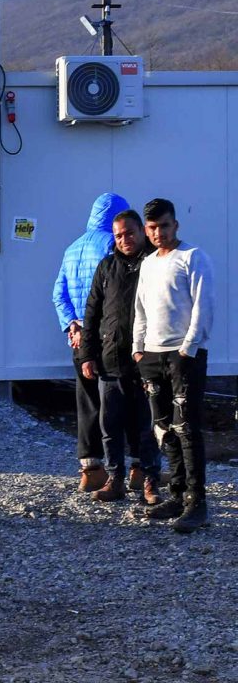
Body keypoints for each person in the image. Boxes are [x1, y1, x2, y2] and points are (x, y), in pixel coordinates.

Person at [133, 198, 214, 533]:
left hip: (183, 357)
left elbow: (203, 304)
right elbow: (140, 309)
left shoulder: (192, 257)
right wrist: (138, 350)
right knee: (164, 429)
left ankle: (198, 504)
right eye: (151, 227)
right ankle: (177, 495)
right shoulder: (149, 263)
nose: (158, 233)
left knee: (188, 429)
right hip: (152, 356)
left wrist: (188, 348)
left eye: (163, 226)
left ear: (175, 225)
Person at [78, 209, 161, 505]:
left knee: (148, 426)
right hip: (110, 360)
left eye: (129, 233)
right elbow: (92, 314)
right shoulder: (107, 266)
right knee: (109, 425)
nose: (124, 239)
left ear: (141, 231)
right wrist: (88, 354)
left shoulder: (155, 264)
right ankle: (115, 480)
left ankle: (151, 480)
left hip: (147, 359)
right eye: (119, 235)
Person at [52, 192, 130, 493]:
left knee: (85, 402)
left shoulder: (72, 248)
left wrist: (71, 325)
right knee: (113, 402)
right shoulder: (112, 244)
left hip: (78, 337)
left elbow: (58, 293)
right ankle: (125, 469)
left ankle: (89, 468)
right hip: (106, 336)